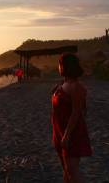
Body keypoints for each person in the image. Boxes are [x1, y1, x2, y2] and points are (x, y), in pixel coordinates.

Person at [51, 53, 92, 183]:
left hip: (71, 132)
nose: (58, 66)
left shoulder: (76, 86)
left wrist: (66, 135)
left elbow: (76, 112)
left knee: (72, 170)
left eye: (59, 64)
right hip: (59, 129)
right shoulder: (62, 84)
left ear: (64, 66)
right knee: (66, 169)